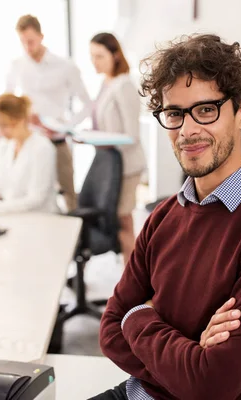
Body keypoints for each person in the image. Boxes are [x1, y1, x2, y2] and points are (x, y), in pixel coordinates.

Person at [95, 34, 241, 400]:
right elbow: (109, 332)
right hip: (136, 394)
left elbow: (210, 385)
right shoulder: (163, 216)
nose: (188, 130)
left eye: (206, 110)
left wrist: (139, 317)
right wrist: (190, 357)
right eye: (175, 113)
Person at [6, 14, 92, 211]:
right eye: (22, 42)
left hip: (57, 140)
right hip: (30, 142)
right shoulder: (17, 66)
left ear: (41, 36)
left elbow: (88, 104)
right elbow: (8, 103)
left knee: (69, 195)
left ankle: (76, 238)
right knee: (31, 195)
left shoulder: (66, 66)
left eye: (31, 41)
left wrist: (66, 127)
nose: (27, 47)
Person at [89, 32, 147, 265]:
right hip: (110, 164)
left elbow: (131, 134)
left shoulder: (124, 85)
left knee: (125, 220)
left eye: (100, 56)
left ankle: (132, 278)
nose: (95, 61)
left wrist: (99, 139)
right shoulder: (106, 83)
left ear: (115, 55)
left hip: (126, 165)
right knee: (117, 220)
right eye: (92, 56)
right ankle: (129, 274)